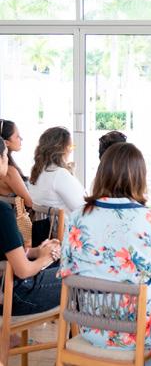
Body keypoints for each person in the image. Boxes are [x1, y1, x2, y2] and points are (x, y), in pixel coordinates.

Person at [59, 142, 151, 365]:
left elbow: (66, 269)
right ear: (139, 178)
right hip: (140, 328)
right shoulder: (149, 220)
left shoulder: (77, 217)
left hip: (92, 325)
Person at [0, 136, 61, 317]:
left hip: (6, 286)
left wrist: (38, 251)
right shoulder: (2, 211)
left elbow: (8, 253)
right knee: (75, 273)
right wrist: (46, 257)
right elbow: (24, 271)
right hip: (14, 296)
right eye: (5, 155)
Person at [29, 126, 85, 216]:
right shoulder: (59, 174)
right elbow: (82, 208)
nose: (71, 151)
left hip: (44, 224)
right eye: (70, 146)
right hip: (67, 224)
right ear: (61, 149)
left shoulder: (37, 171)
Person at [0, 119, 33, 207]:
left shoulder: (7, 169)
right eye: (17, 136)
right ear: (6, 142)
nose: (21, 139)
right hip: (15, 215)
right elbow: (29, 203)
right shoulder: (9, 171)